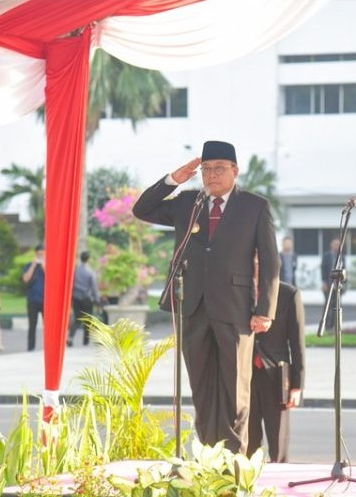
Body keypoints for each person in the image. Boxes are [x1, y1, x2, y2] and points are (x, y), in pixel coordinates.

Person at [133, 140, 280, 454]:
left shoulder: (255, 206)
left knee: (235, 389)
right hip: (193, 306)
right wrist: (174, 179)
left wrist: (265, 309)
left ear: (235, 171)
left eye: (219, 169)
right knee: (201, 388)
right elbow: (141, 209)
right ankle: (208, 457)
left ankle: (235, 460)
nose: (211, 175)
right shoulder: (189, 202)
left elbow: (270, 261)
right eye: (206, 169)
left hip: (236, 310)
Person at [248, 279, 305, 462]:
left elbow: (297, 343)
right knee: (247, 442)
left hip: (277, 376)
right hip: (244, 375)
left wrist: (297, 385)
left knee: (278, 443)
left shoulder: (289, 294)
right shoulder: (240, 290)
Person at [68, 251, 100, 347]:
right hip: (86, 298)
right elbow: (94, 288)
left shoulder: (75, 270)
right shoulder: (90, 272)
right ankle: (85, 341)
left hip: (76, 297)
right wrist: (97, 299)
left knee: (77, 318)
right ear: (88, 259)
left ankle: (70, 338)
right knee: (88, 319)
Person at [22, 244, 45, 351]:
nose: (40, 256)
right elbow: (25, 279)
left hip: (46, 300)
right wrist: (33, 265)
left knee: (48, 327)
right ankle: (31, 347)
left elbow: (53, 279)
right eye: (39, 254)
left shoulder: (47, 265)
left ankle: (48, 347)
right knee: (32, 325)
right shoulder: (29, 265)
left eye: (42, 254)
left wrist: (44, 265)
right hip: (32, 299)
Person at [321, 238, 344, 330]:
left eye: (338, 244)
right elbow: (323, 269)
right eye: (335, 244)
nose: (337, 246)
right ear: (331, 245)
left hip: (338, 285)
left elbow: (344, 270)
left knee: (337, 305)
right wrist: (323, 282)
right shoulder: (326, 256)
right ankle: (326, 325)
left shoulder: (342, 256)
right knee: (328, 305)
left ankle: (335, 325)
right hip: (329, 284)